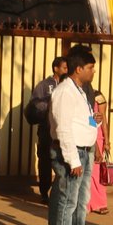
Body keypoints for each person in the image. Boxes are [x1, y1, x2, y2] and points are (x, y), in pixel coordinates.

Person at [49, 47, 98, 225]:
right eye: (90, 67)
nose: (93, 71)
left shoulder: (80, 91)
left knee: (80, 200)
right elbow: (63, 128)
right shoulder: (64, 92)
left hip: (84, 150)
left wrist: (94, 121)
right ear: (78, 69)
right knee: (68, 199)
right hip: (72, 151)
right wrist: (72, 159)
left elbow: (79, 122)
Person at [24, 57, 69, 203]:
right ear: (56, 68)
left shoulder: (69, 85)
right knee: (45, 162)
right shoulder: (44, 85)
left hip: (64, 132)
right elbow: (35, 104)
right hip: (46, 130)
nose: (67, 70)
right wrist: (50, 104)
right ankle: (44, 192)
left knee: (63, 163)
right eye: (64, 68)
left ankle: (60, 194)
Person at [87, 93, 111, 216]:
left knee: (96, 173)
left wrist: (106, 141)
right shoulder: (79, 95)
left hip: (97, 137)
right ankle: (86, 204)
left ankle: (99, 203)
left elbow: (103, 119)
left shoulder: (98, 96)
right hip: (83, 135)